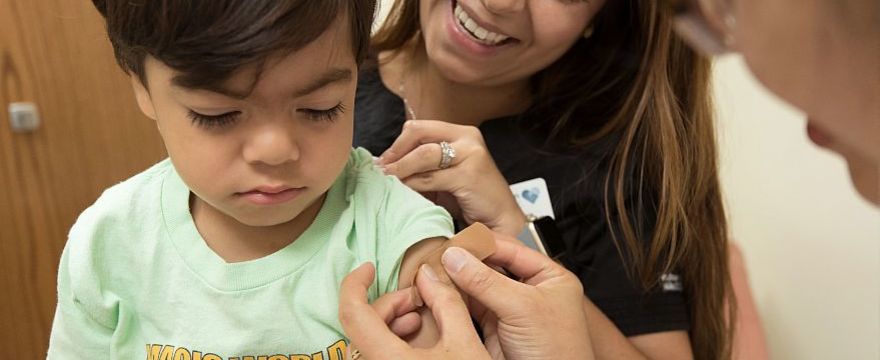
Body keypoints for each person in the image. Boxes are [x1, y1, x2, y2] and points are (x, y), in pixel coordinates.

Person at [340, 0, 879, 358]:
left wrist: (515, 230)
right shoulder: (314, 80)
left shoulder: (612, 168)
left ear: (601, 16)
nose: (501, 2)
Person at [48, 0, 460, 357]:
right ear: (142, 88)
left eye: (320, 109)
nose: (276, 151)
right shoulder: (109, 240)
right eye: (218, 115)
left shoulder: (393, 226)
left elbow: (437, 300)